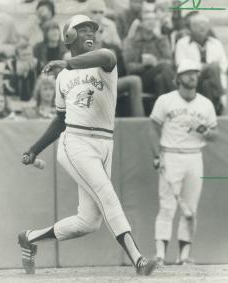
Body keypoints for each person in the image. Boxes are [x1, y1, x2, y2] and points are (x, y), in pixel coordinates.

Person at [19, 14, 157, 276]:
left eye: (92, 29)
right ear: (69, 37)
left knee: (88, 222)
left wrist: (67, 62)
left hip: (104, 144)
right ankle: (138, 259)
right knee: (107, 193)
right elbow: (61, 121)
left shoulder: (105, 62)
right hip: (76, 142)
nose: (89, 33)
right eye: (82, 30)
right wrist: (35, 148)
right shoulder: (62, 78)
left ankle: (30, 238)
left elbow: (106, 57)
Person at [149, 59, 218, 266]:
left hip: (195, 156)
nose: (192, 77)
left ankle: (184, 256)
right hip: (171, 155)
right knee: (167, 207)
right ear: (178, 78)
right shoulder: (165, 100)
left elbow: (214, 134)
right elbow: (153, 127)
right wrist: (156, 155)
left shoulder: (205, 104)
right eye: (187, 73)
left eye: (195, 73)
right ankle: (160, 255)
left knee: (190, 208)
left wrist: (205, 131)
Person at [175, 14, 228, 115]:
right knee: (213, 67)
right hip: (192, 77)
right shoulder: (182, 43)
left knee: (208, 83)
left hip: (213, 79)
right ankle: (220, 99)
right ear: (191, 27)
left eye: (204, 24)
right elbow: (180, 65)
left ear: (208, 27)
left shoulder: (216, 43)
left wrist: (212, 69)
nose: (202, 27)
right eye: (198, 24)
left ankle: (209, 114)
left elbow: (224, 65)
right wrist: (202, 67)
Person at [123, 10, 175, 97]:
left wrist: (156, 64)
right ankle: (177, 97)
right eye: (147, 19)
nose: (151, 22)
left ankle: (162, 107)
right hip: (140, 79)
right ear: (141, 23)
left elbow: (170, 61)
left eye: (154, 19)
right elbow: (129, 67)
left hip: (159, 77)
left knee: (160, 79)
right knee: (164, 67)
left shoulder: (161, 39)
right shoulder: (131, 41)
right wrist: (144, 65)